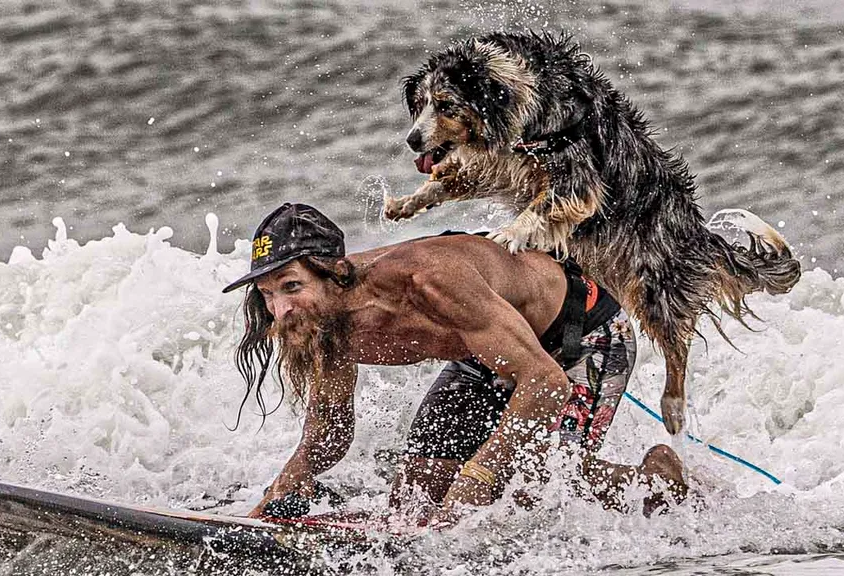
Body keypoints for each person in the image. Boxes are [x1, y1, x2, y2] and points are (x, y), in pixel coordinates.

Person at [222, 203, 686, 525]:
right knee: (416, 495)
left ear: (334, 273)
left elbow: (544, 383)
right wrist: (278, 494)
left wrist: (477, 480)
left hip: (576, 340)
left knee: (528, 494)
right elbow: (328, 435)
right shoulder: (320, 325)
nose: (281, 311)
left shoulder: (428, 282)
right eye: (268, 294)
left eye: (291, 287)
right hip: (483, 354)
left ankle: (656, 485)